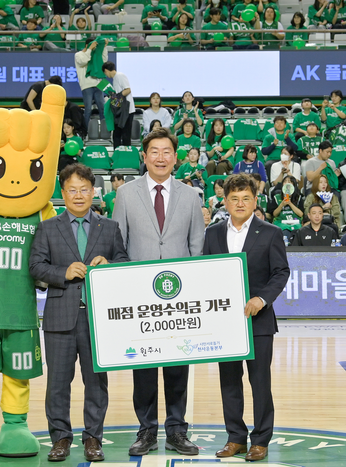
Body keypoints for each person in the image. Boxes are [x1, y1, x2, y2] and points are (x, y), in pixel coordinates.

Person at [111, 127, 205, 457]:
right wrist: (127, 286)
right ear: (144, 156)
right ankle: (147, 430)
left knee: (178, 365)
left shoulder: (191, 196)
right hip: (140, 298)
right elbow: (118, 245)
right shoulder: (126, 194)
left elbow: (197, 246)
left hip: (179, 298)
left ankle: (177, 430)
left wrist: (193, 291)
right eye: (155, 152)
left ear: (175, 157)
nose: (161, 157)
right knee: (144, 368)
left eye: (167, 152)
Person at [29, 163, 129, 463]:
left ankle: (93, 438)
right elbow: (36, 267)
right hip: (60, 317)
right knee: (57, 384)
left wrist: (109, 265)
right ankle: (60, 438)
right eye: (72, 190)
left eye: (84, 189)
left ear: (93, 192)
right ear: (63, 193)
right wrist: (64, 272)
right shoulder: (48, 227)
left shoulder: (109, 227)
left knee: (96, 383)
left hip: (98, 320)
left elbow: (124, 262)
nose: (78, 195)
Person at [202, 173, 289, 462]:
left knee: (260, 382)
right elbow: (204, 272)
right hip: (224, 322)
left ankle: (261, 440)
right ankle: (235, 438)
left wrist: (261, 299)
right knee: (229, 382)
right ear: (225, 202)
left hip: (259, 321)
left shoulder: (271, 232)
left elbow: (281, 272)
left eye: (246, 198)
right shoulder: (212, 233)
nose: (240, 203)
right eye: (234, 198)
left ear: (255, 201)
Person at [75, 38, 108, 134]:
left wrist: (104, 47)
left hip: (98, 84)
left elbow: (104, 61)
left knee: (102, 108)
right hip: (86, 86)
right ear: (87, 45)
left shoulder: (96, 54)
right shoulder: (78, 54)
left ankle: (105, 132)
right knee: (88, 109)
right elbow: (83, 61)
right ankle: (85, 132)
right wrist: (90, 49)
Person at [102, 61, 135, 148]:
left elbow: (128, 90)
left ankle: (126, 154)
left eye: (105, 73)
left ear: (106, 70)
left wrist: (116, 97)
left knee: (125, 135)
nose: (106, 75)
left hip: (127, 110)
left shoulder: (120, 76)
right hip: (119, 110)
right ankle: (117, 153)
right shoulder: (115, 79)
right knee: (116, 134)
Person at [269, 174, 304, 241]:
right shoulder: (276, 197)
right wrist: (282, 205)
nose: (287, 183)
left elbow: (301, 214)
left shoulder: (298, 198)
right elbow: (274, 214)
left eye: (290, 182)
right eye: (285, 181)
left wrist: (290, 203)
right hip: (281, 223)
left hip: (295, 223)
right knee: (285, 233)